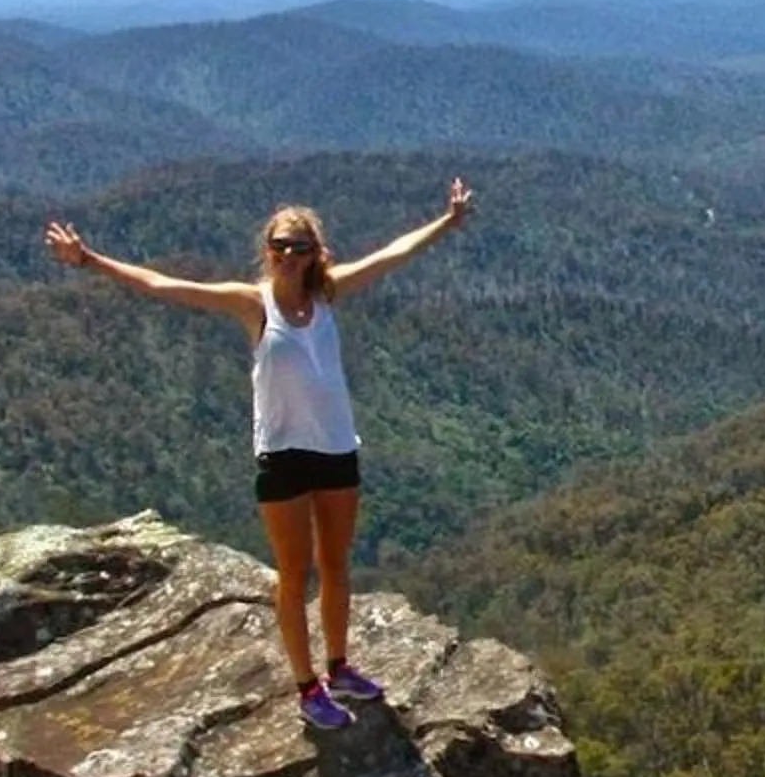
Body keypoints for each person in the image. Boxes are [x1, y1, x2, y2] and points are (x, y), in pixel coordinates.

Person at [43, 179, 474, 729]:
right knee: (293, 574)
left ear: (316, 252)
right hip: (283, 455)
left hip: (337, 447)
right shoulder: (253, 303)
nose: (288, 255)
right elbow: (162, 284)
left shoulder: (327, 294)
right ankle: (307, 686)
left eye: (298, 246)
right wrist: (88, 260)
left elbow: (392, 255)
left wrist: (447, 221)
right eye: (279, 245)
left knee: (336, 566)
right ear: (266, 250)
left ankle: (339, 666)